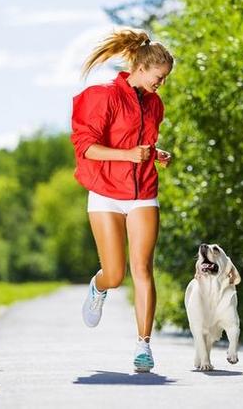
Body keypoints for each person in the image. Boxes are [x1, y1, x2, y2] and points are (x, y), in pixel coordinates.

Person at [70, 28, 174, 372]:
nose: (161, 84)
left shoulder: (155, 104)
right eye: (159, 77)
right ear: (142, 68)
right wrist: (130, 155)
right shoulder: (102, 97)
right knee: (115, 274)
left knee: (142, 268)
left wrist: (154, 154)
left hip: (143, 192)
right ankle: (99, 287)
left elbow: (138, 143)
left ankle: (143, 346)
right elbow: (87, 147)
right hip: (105, 193)